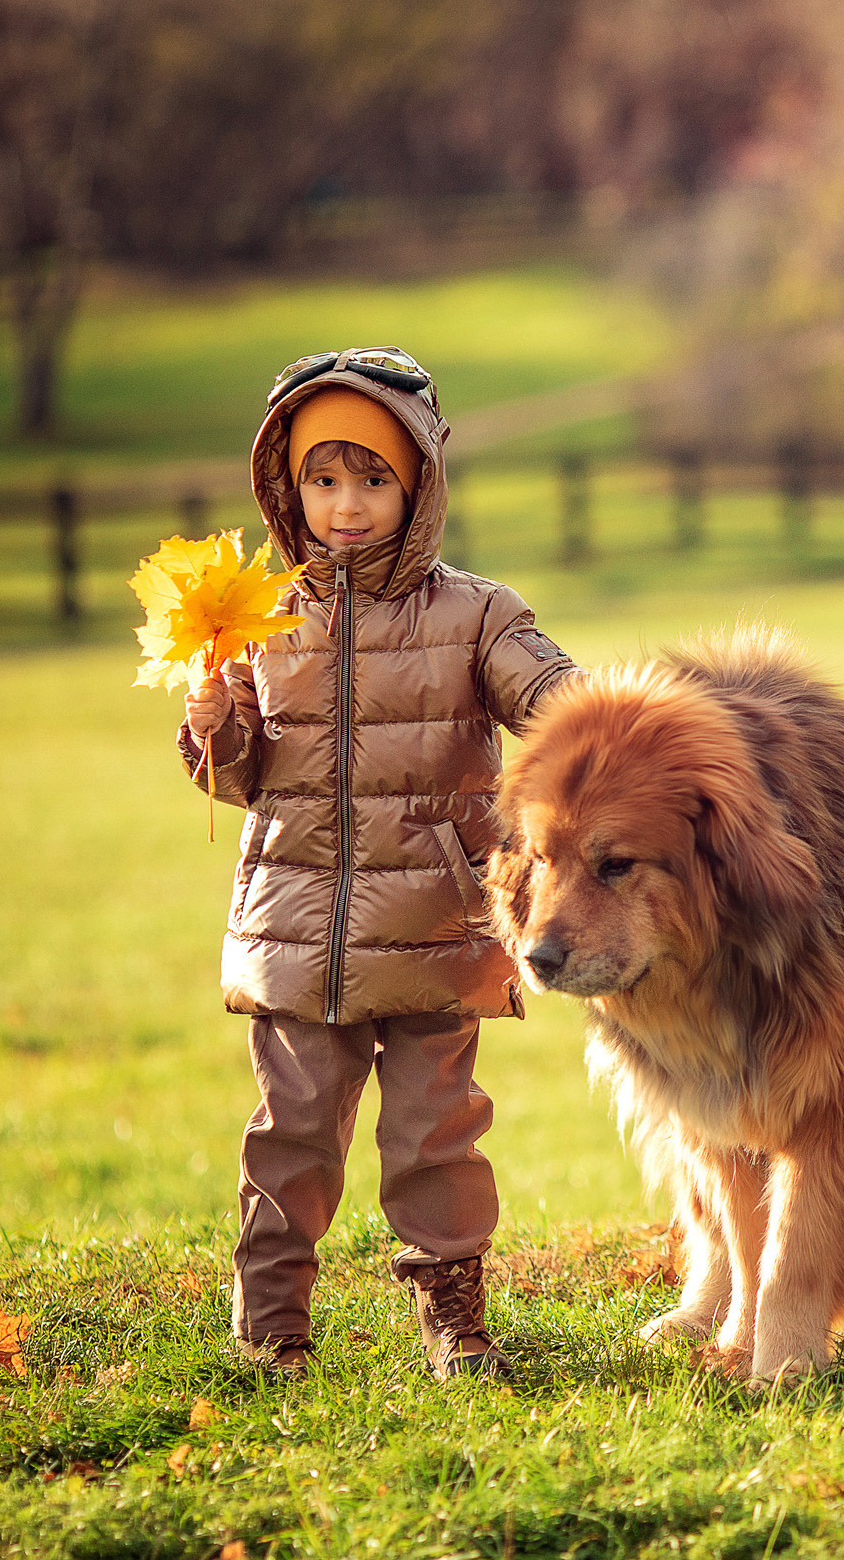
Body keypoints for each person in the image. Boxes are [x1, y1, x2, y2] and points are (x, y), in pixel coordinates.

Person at [178, 347, 577, 1380]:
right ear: (286, 487)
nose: (346, 505)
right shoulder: (256, 618)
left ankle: (454, 1320)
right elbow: (239, 779)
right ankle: (272, 1326)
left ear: (420, 485)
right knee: (293, 1131)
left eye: (373, 479)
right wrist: (214, 727)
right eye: (322, 479)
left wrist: (618, 725)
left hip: (438, 927)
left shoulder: (476, 615)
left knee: (436, 1132)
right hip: (295, 923)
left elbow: (563, 706)